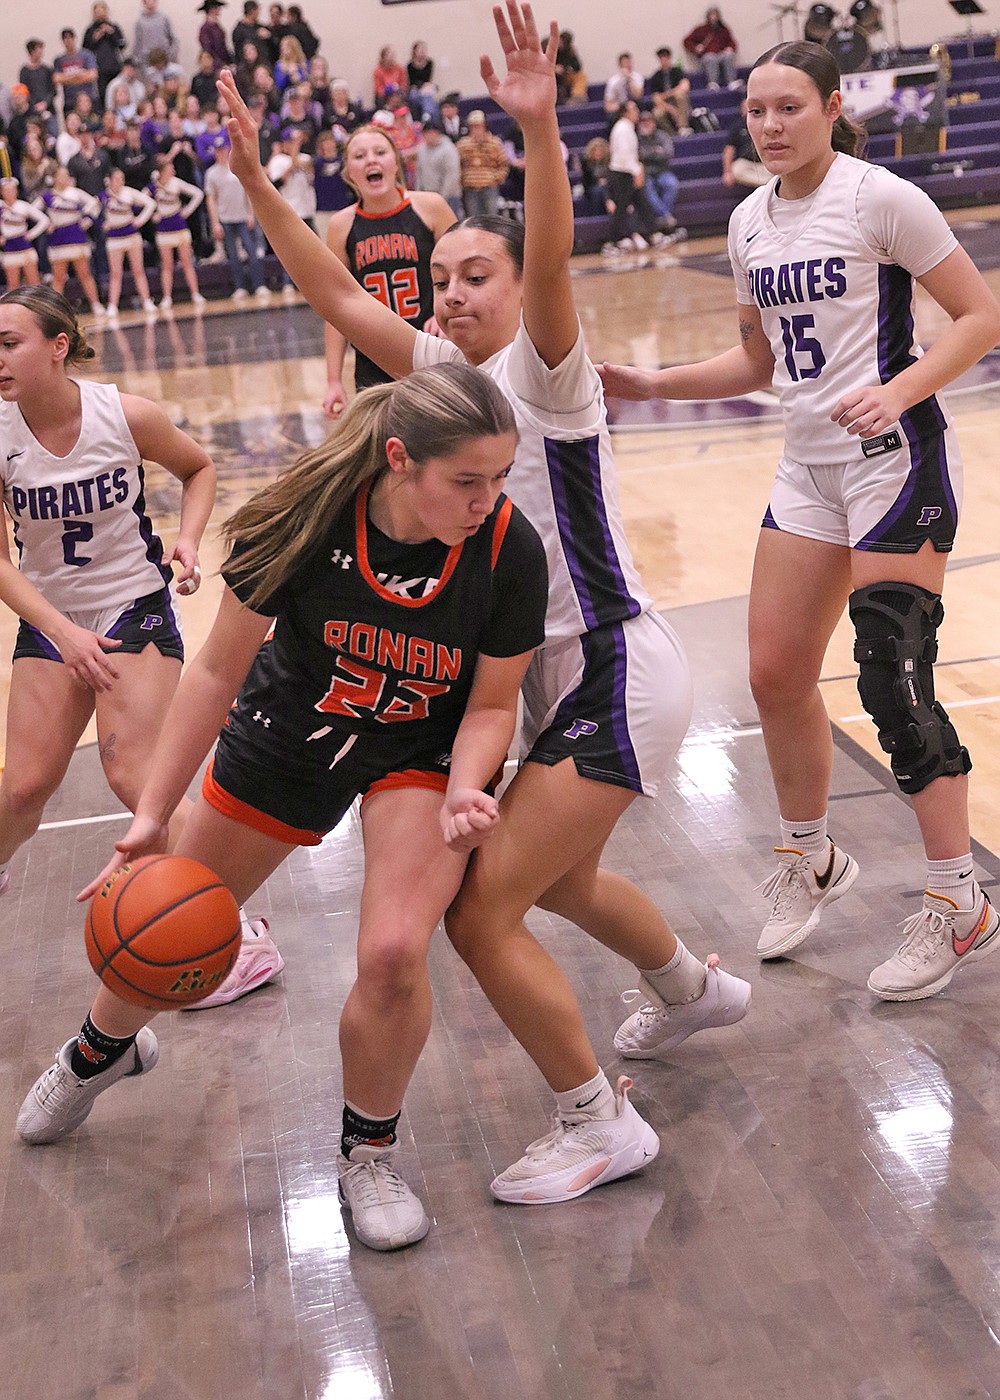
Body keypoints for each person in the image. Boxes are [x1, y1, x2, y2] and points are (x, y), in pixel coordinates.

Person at [214, 2, 751, 1206]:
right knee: (554, 881)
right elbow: (343, 301)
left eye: (473, 277)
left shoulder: (545, 371)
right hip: (543, 668)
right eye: (442, 279)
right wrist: (255, 184)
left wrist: (542, 133)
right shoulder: (451, 382)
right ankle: (690, 989)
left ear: (512, 285)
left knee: (481, 907)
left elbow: (551, 260)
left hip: (608, 659)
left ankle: (596, 1121)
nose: (448, 296)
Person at [18, 361, 550, 1257]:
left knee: (390, 953)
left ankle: (368, 1154)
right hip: (291, 730)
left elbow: (496, 704)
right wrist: (153, 813)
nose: (486, 499)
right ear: (398, 460)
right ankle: (101, 1048)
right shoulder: (305, 521)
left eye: (499, 478)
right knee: (168, 909)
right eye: (466, 480)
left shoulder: (507, 547)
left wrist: (467, 783)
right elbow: (217, 675)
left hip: (421, 753)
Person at [599, 40, 1000, 1001]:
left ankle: (960, 901)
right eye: (756, 112)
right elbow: (759, 365)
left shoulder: (880, 200)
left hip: (894, 462)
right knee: (776, 674)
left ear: (829, 107)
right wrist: (651, 382)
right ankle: (812, 857)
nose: (770, 126)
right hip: (806, 470)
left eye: (789, 108)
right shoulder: (747, 222)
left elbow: (981, 317)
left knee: (894, 677)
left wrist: (900, 394)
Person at [0, 284, 214, 915]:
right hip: (50, 617)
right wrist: (62, 633)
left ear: (58, 346)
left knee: (136, 778)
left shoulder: (126, 414)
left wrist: (190, 540)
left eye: (10, 343)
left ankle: (226, 920)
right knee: (24, 788)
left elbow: (198, 469)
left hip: (132, 606)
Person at [322, 123, 455, 416]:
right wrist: (333, 380)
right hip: (373, 361)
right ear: (349, 172)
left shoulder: (431, 207)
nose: (371, 160)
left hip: (430, 348)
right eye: (359, 156)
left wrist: (442, 310)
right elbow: (335, 306)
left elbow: (460, 272)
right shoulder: (341, 226)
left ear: (396, 162)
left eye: (380, 152)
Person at [602, 100, 673, 255]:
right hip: (622, 174)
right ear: (625, 112)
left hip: (629, 172)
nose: (636, 112)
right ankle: (612, 242)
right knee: (621, 208)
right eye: (633, 109)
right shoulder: (622, 129)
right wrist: (637, 171)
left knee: (643, 203)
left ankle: (654, 235)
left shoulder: (628, 128)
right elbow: (623, 156)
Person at [204, 138, 269, 299]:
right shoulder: (211, 173)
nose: (221, 153)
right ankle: (240, 287)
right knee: (233, 254)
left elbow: (248, 191)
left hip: (242, 215)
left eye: (223, 149)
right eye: (218, 150)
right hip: (226, 218)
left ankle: (259, 284)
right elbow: (211, 199)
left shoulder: (236, 167)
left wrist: (251, 213)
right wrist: (215, 222)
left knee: (251, 250)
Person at [35, 167, 104, 316]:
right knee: (58, 277)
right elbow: (32, 211)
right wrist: (46, 223)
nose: (65, 178)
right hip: (58, 238)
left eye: (66, 175)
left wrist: (88, 220)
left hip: (76, 235)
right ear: (54, 178)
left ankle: (96, 304)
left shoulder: (75, 193)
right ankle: (55, 310)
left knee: (85, 274)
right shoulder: (47, 196)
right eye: (61, 175)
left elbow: (95, 203)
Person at [149, 155, 206, 310]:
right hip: (163, 229)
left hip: (180, 227)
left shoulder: (176, 183)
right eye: (169, 167)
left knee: (187, 262)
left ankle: (195, 294)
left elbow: (198, 194)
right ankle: (167, 297)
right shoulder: (154, 186)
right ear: (162, 171)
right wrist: (153, 213)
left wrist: (187, 211)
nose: (173, 169)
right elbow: (142, 200)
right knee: (167, 265)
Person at [101, 166, 157, 316]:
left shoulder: (129, 192)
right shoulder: (103, 196)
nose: (120, 181)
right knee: (115, 273)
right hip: (114, 238)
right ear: (110, 180)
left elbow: (150, 204)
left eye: (122, 178)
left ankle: (146, 301)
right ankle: (112, 305)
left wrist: (140, 220)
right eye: (117, 178)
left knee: (138, 270)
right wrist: (102, 223)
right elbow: (90, 212)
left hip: (132, 236)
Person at [456, 110, 508, 217]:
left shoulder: (495, 143)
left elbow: (503, 164)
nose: (476, 129)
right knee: (473, 219)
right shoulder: (462, 144)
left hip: (489, 186)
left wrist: (496, 178)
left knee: (491, 218)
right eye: (473, 126)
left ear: (485, 126)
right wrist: (462, 180)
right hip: (470, 187)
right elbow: (457, 165)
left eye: (478, 126)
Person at [0, 178, 49, 289]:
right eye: (6, 190)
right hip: (9, 249)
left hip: (25, 248)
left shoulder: (23, 206)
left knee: (34, 283)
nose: (9, 193)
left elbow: (44, 220)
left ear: (16, 191)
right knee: (13, 286)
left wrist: (31, 234)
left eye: (11, 190)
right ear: (1, 192)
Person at [636, 108, 680, 230]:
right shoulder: (636, 138)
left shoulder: (663, 136)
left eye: (648, 121)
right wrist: (655, 152)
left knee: (671, 184)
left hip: (662, 171)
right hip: (646, 173)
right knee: (647, 189)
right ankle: (666, 216)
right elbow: (639, 155)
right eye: (643, 122)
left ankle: (662, 218)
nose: (646, 124)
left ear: (654, 123)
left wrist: (649, 155)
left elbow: (667, 154)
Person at [414, 123, 463, 220]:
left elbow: (452, 175)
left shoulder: (449, 149)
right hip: (427, 195)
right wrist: (418, 192)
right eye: (426, 134)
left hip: (449, 196)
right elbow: (419, 172)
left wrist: (443, 196)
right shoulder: (421, 149)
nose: (429, 136)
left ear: (437, 133)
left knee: (451, 225)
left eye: (431, 133)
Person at [683, 8, 740, 90]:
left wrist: (730, 48)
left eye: (715, 15)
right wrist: (696, 48)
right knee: (710, 57)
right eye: (711, 15)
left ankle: (731, 81)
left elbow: (732, 42)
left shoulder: (724, 29)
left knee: (728, 56)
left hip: (721, 55)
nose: (713, 18)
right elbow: (686, 41)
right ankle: (713, 83)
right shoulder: (701, 29)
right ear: (708, 17)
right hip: (707, 56)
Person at [83, 2, 127, 106]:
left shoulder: (114, 27)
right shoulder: (90, 30)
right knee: (102, 95)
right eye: (97, 11)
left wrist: (112, 33)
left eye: (103, 10)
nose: (100, 13)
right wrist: (95, 39)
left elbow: (122, 45)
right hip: (99, 69)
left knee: (118, 93)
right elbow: (85, 50)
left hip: (115, 67)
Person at [723, 96, 768, 188]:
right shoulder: (737, 127)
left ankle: (767, 184)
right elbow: (729, 150)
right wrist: (727, 172)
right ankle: (766, 185)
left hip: (766, 163)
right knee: (736, 170)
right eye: (745, 108)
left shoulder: (767, 124)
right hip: (747, 163)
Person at [53, 30, 100, 113]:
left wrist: (67, 77)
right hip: (70, 101)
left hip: (89, 98)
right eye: (65, 38)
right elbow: (57, 79)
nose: (68, 41)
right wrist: (79, 74)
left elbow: (93, 75)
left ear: (74, 38)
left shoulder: (87, 55)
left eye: (70, 37)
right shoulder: (59, 60)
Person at [647, 46, 691, 134]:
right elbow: (656, 98)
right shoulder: (656, 76)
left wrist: (666, 94)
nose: (664, 60)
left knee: (680, 95)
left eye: (665, 57)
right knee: (657, 114)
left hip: (677, 100)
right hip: (665, 104)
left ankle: (682, 127)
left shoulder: (677, 71)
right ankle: (671, 134)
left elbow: (685, 86)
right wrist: (671, 109)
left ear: (669, 58)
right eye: (661, 58)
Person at [133, 0, 178, 71]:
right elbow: (138, 42)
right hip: (147, 60)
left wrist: (171, 54)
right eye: (148, 1)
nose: (150, 3)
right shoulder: (140, 21)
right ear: (144, 3)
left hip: (164, 58)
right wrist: (137, 58)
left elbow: (172, 37)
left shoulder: (164, 18)